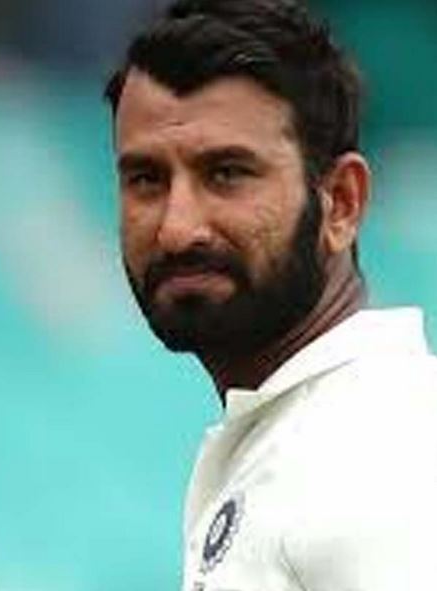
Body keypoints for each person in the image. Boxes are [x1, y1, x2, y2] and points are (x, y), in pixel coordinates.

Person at [104, 1, 437, 589]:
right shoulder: (309, 437)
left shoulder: (382, 454)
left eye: (227, 173)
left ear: (341, 202)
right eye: (147, 179)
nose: (178, 229)